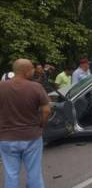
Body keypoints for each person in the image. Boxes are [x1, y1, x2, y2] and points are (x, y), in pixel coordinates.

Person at [0, 59, 51, 188]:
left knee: (11, 173)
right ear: (26, 70)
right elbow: (46, 110)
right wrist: (41, 124)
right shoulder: (36, 87)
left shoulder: (1, 87)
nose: (34, 71)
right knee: (34, 172)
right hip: (32, 137)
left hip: (6, 138)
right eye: (32, 69)